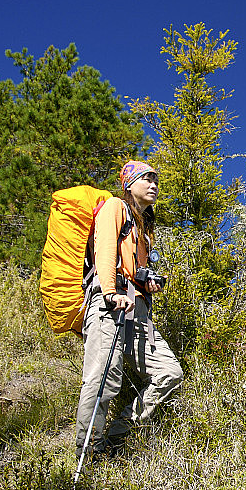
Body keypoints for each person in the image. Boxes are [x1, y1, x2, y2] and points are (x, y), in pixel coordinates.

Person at [75, 160, 183, 458]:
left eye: (155, 181)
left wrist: (147, 282)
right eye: (146, 179)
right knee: (102, 380)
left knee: (169, 373)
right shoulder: (114, 207)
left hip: (137, 312)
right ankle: (88, 453)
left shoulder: (144, 226)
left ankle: (116, 436)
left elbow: (135, 268)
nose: (153, 185)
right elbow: (106, 249)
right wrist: (109, 291)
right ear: (129, 184)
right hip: (108, 303)